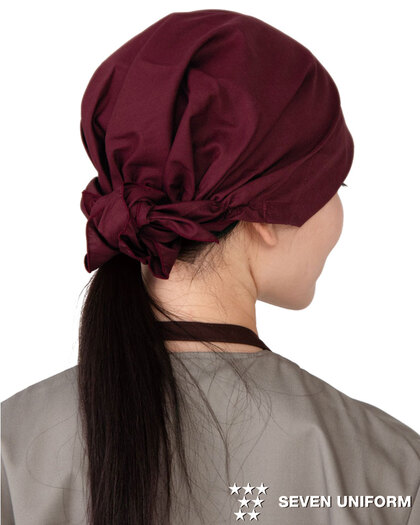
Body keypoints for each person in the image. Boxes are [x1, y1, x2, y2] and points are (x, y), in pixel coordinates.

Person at [2, 9, 420, 525]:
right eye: (335, 185)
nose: (337, 213)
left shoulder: (11, 446)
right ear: (266, 214)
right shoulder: (389, 469)